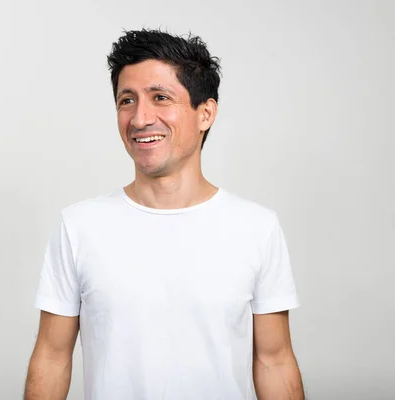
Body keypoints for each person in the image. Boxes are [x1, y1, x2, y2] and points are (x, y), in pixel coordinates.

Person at [24, 28, 304, 400]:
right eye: (127, 100)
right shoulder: (78, 226)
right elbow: (52, 358)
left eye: (160, 97)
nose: (140, 119)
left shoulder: (257, 228)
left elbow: (275, 360)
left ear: (205, 113)